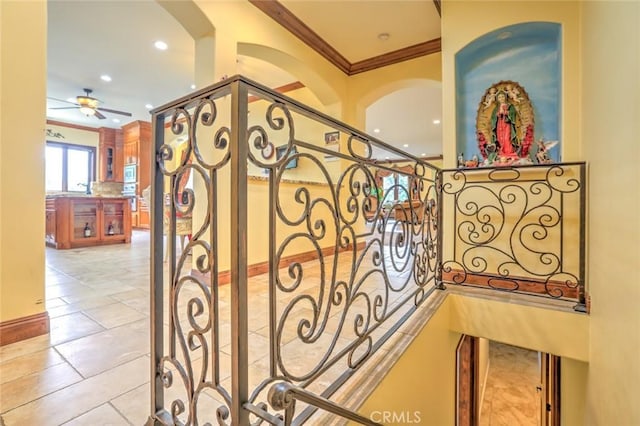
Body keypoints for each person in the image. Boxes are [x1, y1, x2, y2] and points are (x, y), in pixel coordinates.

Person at [490, 91, 519, 158]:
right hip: (499, 125)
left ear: (505, 97)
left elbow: (513, 114)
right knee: (500, 138)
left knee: (507, 138)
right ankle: (501, 152)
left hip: (506, 124)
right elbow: (493, 118)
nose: (501, 98)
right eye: (499, 97)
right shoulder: (496, 108)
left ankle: (509, 153)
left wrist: (506, 113)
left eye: (502, 96)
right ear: (498, 99)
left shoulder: (510, 106)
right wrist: (497, 114)